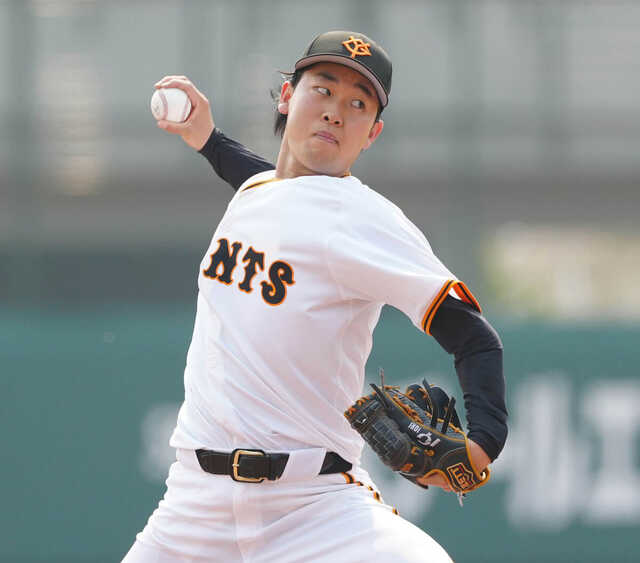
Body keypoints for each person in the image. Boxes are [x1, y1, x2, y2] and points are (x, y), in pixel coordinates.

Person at [122, 30, 507, 562]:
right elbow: (264, 179)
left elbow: (473, 337)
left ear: (371, 133)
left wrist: (484, 443)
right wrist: (207, 138)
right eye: (322, 90)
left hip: (314, 511)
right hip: (193, 509)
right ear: (287, 96)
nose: (335, 112)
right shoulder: (260, 190)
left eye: (357, 104)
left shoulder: (364, 220)